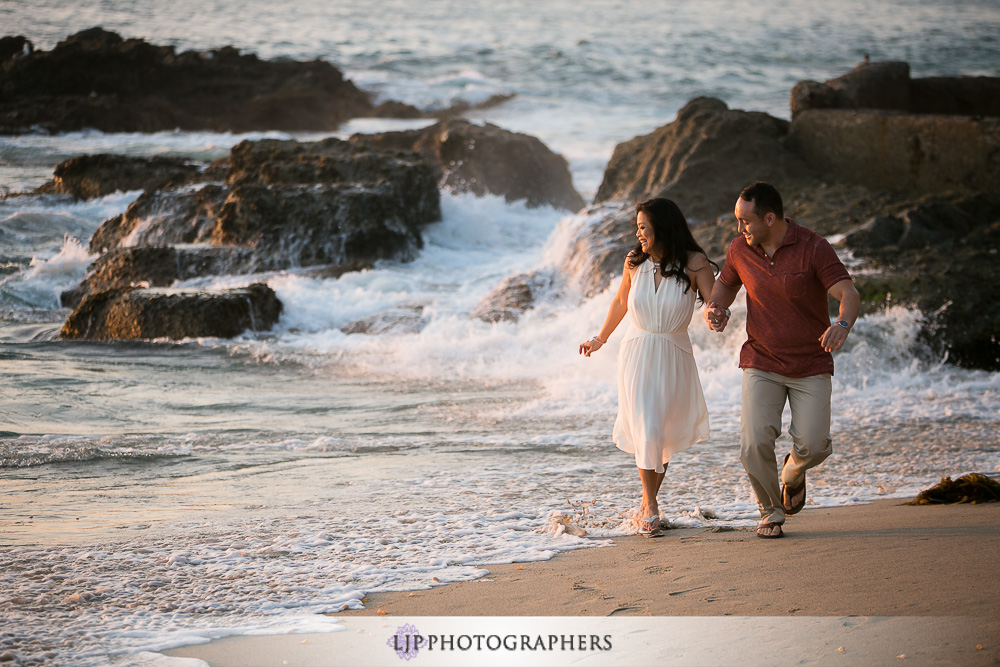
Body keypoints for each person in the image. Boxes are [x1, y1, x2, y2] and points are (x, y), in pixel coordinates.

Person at [705, 181, 860, 539]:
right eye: (737, 221)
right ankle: (770, 511)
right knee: (754, 442)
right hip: (762, 360)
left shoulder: (813, 248)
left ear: (770, 219)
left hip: (810, 363)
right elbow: (726, 287)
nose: (739, 229)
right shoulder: (739, 250)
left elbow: (847, 293)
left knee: (815, 445)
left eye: (745, 221)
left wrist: (842, 324)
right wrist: (716, 309)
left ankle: (792, 472)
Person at [580, 198, 716, 538]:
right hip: (637, 351)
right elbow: (621, 301)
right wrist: (600, 339)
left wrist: (716, 316)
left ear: (662, 226)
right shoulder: (633, 262)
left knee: (664, 432)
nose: (637, 233)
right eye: (637, 227)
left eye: (643, 227)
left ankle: (647, 501)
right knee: (648, 427)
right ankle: (651, 504)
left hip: (674, 351)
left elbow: (715, 305)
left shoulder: (696, 263)